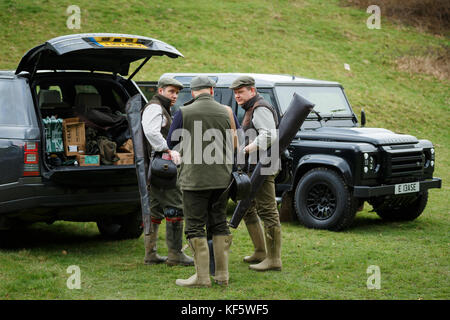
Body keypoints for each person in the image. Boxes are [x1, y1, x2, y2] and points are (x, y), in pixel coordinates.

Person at [167, 75, 240, 287]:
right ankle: (222, 276)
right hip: (222, 178)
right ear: (211, 90)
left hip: (195, 179)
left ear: (192, 92)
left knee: (195, 226)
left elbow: (171, 141)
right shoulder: (226, 111)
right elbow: (236, 142)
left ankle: (201, 277)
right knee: (219, 223)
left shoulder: (184, 111)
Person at [230, 75, 282, 272]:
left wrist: (248, 148)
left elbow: (269, 134)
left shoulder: (259, 107)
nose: (237, 96)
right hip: (256, 167)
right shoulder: (252, 107)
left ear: (252, 90)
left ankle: (274, 259)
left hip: (263, 167)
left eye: (241, 92)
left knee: (268, 211)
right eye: (235, 93)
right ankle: (260, 252)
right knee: (247, 208)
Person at [141, 77, 193, 267]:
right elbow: (151, 132)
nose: (175, 96)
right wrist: (167, 149)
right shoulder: (155, 107)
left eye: (177, 92)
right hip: (162, 166)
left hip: (155, 168)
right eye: (171, 91)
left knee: (154, 209)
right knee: (175, 207)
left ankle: (150, 254)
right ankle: (175, 254)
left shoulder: (159, 107)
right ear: (161, 90)